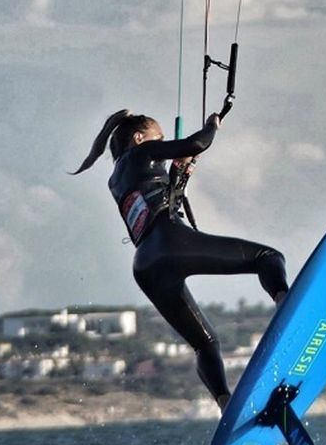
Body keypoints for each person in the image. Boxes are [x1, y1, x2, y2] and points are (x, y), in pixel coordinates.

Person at [73, 109, 288, 411]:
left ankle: (225, 403)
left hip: (147, 264)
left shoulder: (116, 178)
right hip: (171, 241)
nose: (162, 143)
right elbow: (197, 143)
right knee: (269, 258)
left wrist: (179, 173)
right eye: (158, 138)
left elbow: (158, 198)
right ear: (139, 138)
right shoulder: (142, 153)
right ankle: (285, 304)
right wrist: (211, 125)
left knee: (205, 344)